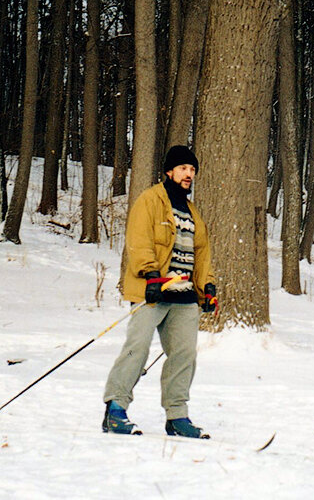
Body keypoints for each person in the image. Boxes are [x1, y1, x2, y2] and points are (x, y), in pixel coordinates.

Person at [102, 145, 218, 438]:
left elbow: (201, 254)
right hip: (152, 291)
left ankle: (177, 416)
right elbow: (139, 239)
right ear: (169, 171)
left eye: (192, 170)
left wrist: (208, 287)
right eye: (183, 169)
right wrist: (151, 275)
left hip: (185, 296)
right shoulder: (150, 200)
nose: (188, 174)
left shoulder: (192, 212)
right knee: (137, 349)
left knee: (184, 355)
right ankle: (115, 410)